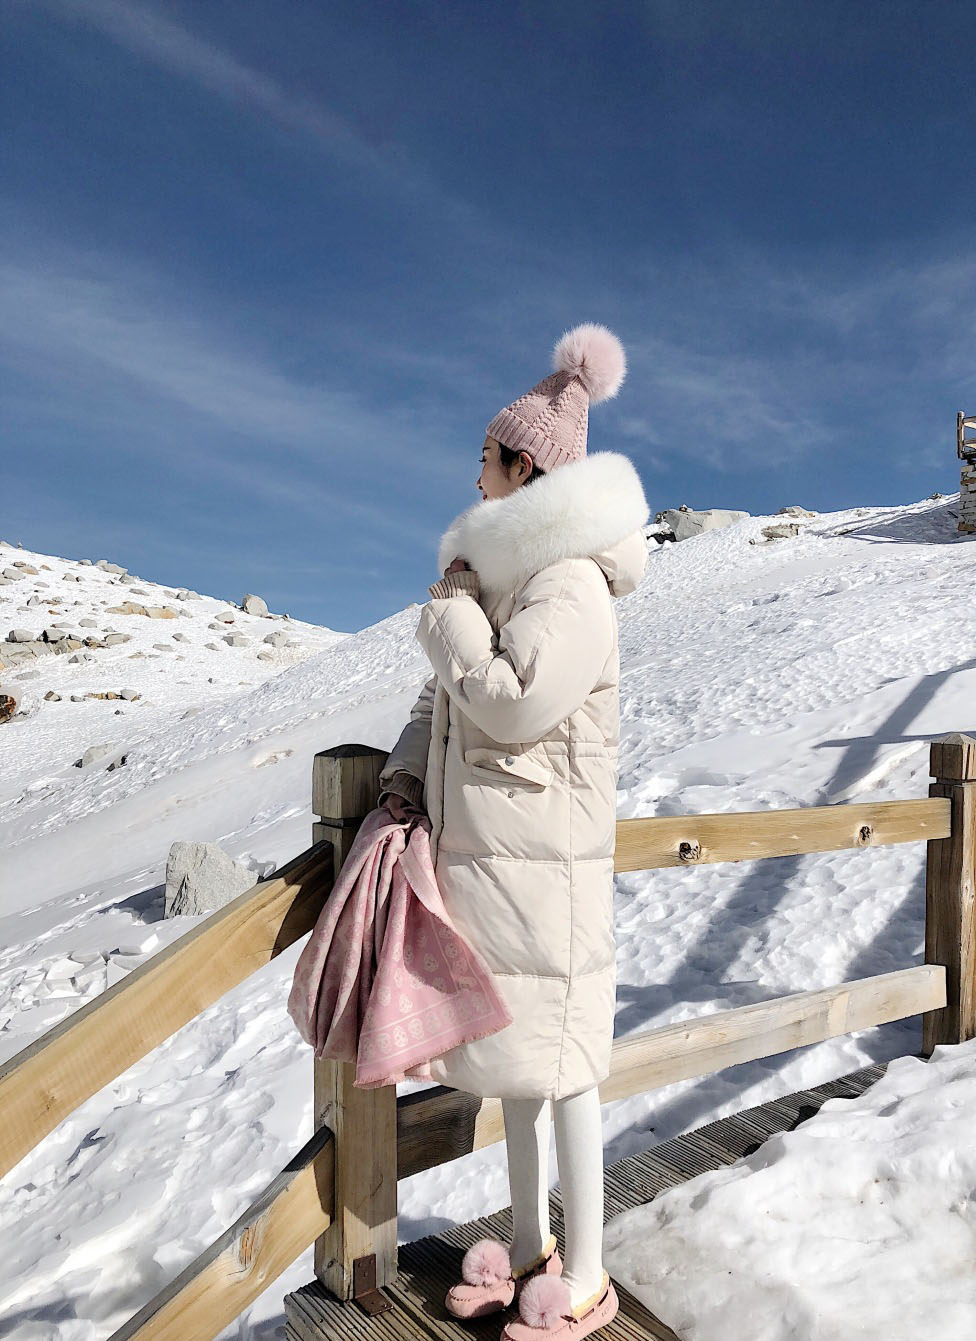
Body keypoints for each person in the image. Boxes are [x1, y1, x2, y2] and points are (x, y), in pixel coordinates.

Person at [378, 322, 649, 1339]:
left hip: (545, 874)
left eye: (486, 456)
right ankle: (532, 1245)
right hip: (493, 870)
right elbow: (438, 708)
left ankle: (583, 1272)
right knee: (520, 1076)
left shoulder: (567, 582)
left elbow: (511, 702)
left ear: (524, 465)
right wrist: (404, 778)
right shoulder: (498, 581)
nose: (473, 471)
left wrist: (447, 616)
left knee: (566, 1072)